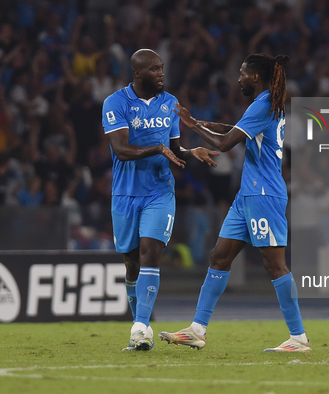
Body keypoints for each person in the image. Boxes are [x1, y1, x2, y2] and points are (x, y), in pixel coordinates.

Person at [159, 53, 311, 352]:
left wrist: (192, 126)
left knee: (275, 265)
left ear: (255, 77)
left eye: (242, 73)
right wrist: (202, 122)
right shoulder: (268, 103)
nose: (238, 78)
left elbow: (225, 142)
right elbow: (235, 128)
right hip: (248, 195)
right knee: (219, 256)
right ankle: (197, 330)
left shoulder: (264, 103)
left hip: (263, 194)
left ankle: (299, 338)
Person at [101, 49, 219, 351]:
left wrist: (191, 152)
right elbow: (122, 150)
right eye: (154, 69)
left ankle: (141, 327)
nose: (161, 74)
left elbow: (174, 149)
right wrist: (156, 148)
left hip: (159, 192)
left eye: (162, 68)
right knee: (131, 264)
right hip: (126, 194)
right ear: (138, 74)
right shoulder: (115, 103)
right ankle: (140, 319)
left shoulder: (170, 104)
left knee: (150, 252)